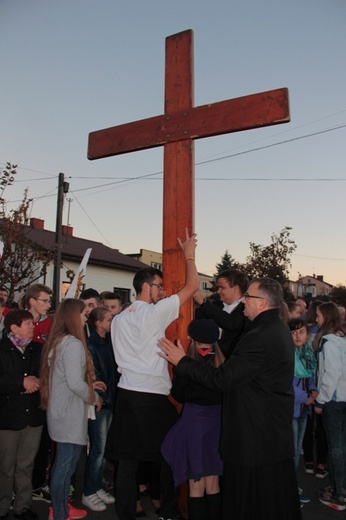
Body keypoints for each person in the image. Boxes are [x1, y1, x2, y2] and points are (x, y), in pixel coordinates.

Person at [159, 278, 301, 520]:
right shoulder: (275, 328)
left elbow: (223, 379)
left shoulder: (260, 335)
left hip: (255, 433)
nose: (244, 300)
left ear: (263, 303)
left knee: (252, 500)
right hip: (269, 430)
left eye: (249, 297)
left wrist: (182, 362)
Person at [110, 229, 199, 520]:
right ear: (146, 287)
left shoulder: (118, 319)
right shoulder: (154, 312)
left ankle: (126, 513)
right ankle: (170, 512)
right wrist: (188, 253)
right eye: (159, 286)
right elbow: (193, 285)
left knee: (127, 463)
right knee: (171, 454)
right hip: (151, 397)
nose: (163, 291)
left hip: (127, 394)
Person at [40, 299, 106, 520]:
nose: (86, 316)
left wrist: (89, 386)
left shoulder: (59, 340)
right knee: (65, 466)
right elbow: (74, 383)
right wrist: (94, 396)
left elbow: (68, 378)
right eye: (83, 313)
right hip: (68, 413)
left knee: (64, 463)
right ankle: (59, 512)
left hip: (62, 411)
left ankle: (60, 509)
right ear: (72, 316)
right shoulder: (72, 343)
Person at [161, 318, 223, 520]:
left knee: (196, 484)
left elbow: (178, 395)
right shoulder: (223, 363)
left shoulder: (188, 365)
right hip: (217, 424)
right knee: (213, 481)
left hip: (194, 423)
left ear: (192, 340)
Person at [0, 309, 45, 520]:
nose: (32, 326)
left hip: (33, 415)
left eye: (32, 322)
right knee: (5, 466)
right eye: (27, 323)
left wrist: (38, 382)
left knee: (26, 464)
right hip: (8, 417)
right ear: (13, 327)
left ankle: (23, 506)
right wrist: (21, 383)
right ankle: (1, 507)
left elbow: (47, 373)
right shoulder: (2, 349)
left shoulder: (38, 349)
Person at [82, 307, 118, 511]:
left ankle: (96, 487)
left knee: (103, 450)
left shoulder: (108, 342)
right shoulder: (91, 345)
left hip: (110, 400)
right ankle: (88, 491)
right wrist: (101, 397)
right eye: (108, 319)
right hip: (101, 403)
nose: (111, 323)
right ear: (98, 323)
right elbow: (92, 373)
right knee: (98, 449)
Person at [314, 301, 346, 511]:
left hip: (334, 401)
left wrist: (321, 399)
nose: (315, 319)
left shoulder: (329, 341)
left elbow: (331, 373)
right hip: (341, 398)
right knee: (340, 447)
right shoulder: (341, 339)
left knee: (336, 448)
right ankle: (338, 486)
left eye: (317, 315)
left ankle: (338, 494)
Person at [23, 284, 53, 503]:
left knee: (42, 441)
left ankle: (36, 485)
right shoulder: (18, 323)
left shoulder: (49, 324)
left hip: (43, 389)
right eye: (44, 300)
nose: (48, 304)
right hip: (23, 392)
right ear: (32, 301)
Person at [288, 318, 318, 506]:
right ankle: (289, 489)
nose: (298, 336)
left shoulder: (307, 352)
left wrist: (313, 390)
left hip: (303, 408)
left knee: (297, 449)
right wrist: (304, 396)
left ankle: (292, 485)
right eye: (293, 332)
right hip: (291, 408)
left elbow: (311, 376)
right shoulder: (287, 353)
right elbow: (287, 382)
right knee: (291, 451)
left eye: (302, 332)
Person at [194, 269, 249, 359]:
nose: (218, 291)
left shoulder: (245, 308)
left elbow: (230, 323)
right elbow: (195, 316)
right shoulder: (216, 305)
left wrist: (203, 302)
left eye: (222, 288)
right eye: (218, 288)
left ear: (235, 288)